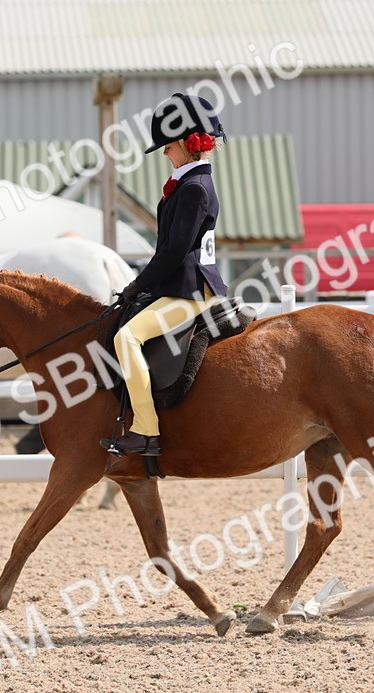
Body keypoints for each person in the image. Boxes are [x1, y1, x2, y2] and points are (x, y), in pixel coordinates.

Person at [105, 93, 228, 457]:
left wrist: (137, 284)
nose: (164, 153)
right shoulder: (187, 184)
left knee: (127, 338)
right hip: (179, 286)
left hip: (192, 291)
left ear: (189, 143)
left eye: (168, 146)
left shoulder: (194, 189)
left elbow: (174, 252)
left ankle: (146, 430)